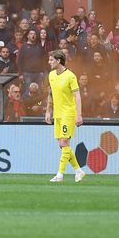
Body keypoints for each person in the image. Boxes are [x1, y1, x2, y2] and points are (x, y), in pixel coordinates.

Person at [44, 51, 86, 183]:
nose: (49, 62)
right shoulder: (51, 75)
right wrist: (48, 111)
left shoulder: (70, 76)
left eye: (51, 60)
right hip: (58, 114)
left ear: (58, 60)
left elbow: (77, 95)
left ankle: (60, 175)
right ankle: (78, 170)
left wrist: (79, 115)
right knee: (62, 145)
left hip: (68, 113)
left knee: (64, 142)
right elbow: (50, 94)